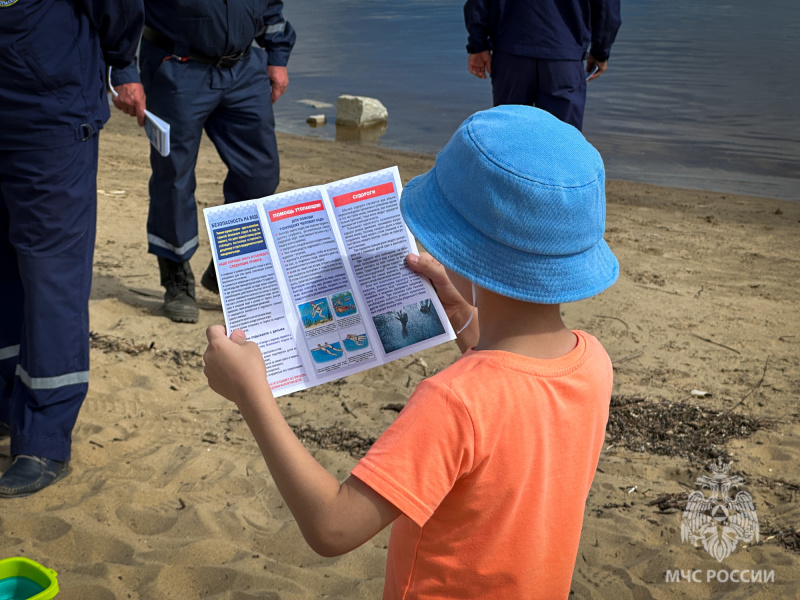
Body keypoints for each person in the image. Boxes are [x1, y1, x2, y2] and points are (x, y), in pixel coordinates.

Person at [203, 105, 619, 598]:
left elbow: (334, 527)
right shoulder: (592, 361)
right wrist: (463, 313)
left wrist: (253, 395)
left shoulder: (454, 401)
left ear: (462, 250)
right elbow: (512, 391)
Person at [0, 0, 144, 498]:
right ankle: (5, 406)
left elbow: (119, 10)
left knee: (50, 278)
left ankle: (43, 440)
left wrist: (123, 66)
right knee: (5, 272)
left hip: (50, 120)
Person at [112, 1, 296, 323]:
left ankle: (231, 269)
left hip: (245, 71)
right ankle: (176, 277)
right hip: (175, 68)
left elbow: (269, 5)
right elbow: (121, 8)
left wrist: (277, 56)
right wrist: (124, 71)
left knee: (261, 174)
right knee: (174, 177)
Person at [464, 0, 621, 130]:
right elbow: (607, 8)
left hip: (511, 53)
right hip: (563, 56)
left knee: (508, 136)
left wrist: (478, 45)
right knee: (563, 139)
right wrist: (600, 50)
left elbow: (477, 3)